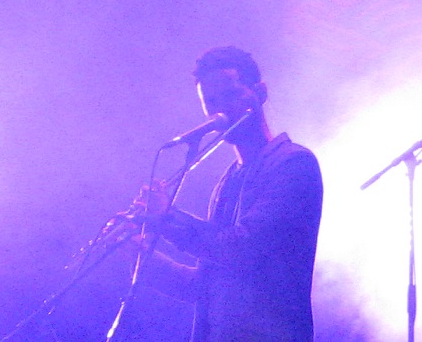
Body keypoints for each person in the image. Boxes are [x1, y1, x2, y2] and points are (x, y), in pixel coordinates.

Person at [138, 46, 324, 342]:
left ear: (260, 93)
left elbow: (242, 250)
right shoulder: (226, 183)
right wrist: (139, 254)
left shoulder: (293, 164)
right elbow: (204, 287)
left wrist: (167, 219)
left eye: (229, 95)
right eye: (211, 102)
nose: (220, 110)